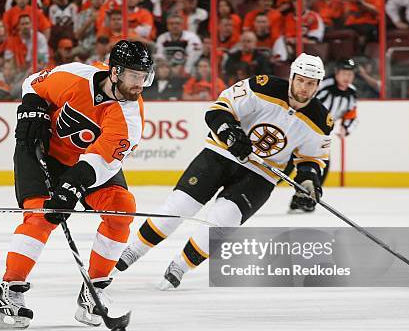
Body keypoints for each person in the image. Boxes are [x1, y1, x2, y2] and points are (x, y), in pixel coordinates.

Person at [113, 53, 332, 289]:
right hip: (220, 155)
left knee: (223, 221)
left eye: (310, 83)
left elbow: (311, 159)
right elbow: (218, 110)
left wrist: (309, 181)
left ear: (318, 85)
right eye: (300, 80)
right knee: (179, 206)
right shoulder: (262, 86)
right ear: (291, 77)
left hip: (260, 176)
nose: (304, 88)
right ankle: (132, 252)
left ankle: (179, 267)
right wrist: (231, 133)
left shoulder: (321, 120)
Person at [0, 40, 154, 329]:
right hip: (41, 150)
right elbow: (33, 83)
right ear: (115, 73)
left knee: (121, 208)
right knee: (41, 218)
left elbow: (101, 163)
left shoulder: (129, 117)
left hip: (86, 165)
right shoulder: (75, 76)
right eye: (134, 75)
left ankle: (95, 291)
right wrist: (33, 108)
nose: (141, 83)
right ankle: (10, 292)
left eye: (145, 76)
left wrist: (71, 187)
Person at [285, 58, 358, 213]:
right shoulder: (322, 86)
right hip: (297, 129)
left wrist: (346, 127)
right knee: (285, 167)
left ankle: (303, 198)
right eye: (344, 73)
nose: (347, 78)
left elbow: (351, 115)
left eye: (350, 74)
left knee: (319, 167)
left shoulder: (351, 93)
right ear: (337, 73)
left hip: (317, 135)